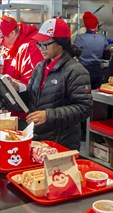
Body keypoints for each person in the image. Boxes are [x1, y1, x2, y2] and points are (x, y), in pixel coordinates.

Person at [12, 18, 92, 150]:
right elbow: (34, 97)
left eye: (45, 44)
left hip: (61, 142)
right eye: (39, 44)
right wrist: (17, 88)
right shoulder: (40, 67)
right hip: (39, 139)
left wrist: (48, 115)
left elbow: (84, 108)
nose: (41, 48)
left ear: (60, 43)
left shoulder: (76, 71)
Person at [0, 15, 43, 85]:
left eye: (2, 40)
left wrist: (11, 83)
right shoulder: (12, 45)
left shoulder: (31, 49)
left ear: (12, 33)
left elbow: (31, 85)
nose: (1, 45)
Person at [74, 11, 110, 89]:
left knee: (84, 93)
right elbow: (107, 55)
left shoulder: (80, 38)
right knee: (97, 95)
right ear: (96, 25)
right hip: (98, 70)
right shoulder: (102, 38)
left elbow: (75, 52)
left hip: (83, 70)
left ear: (85, 25)